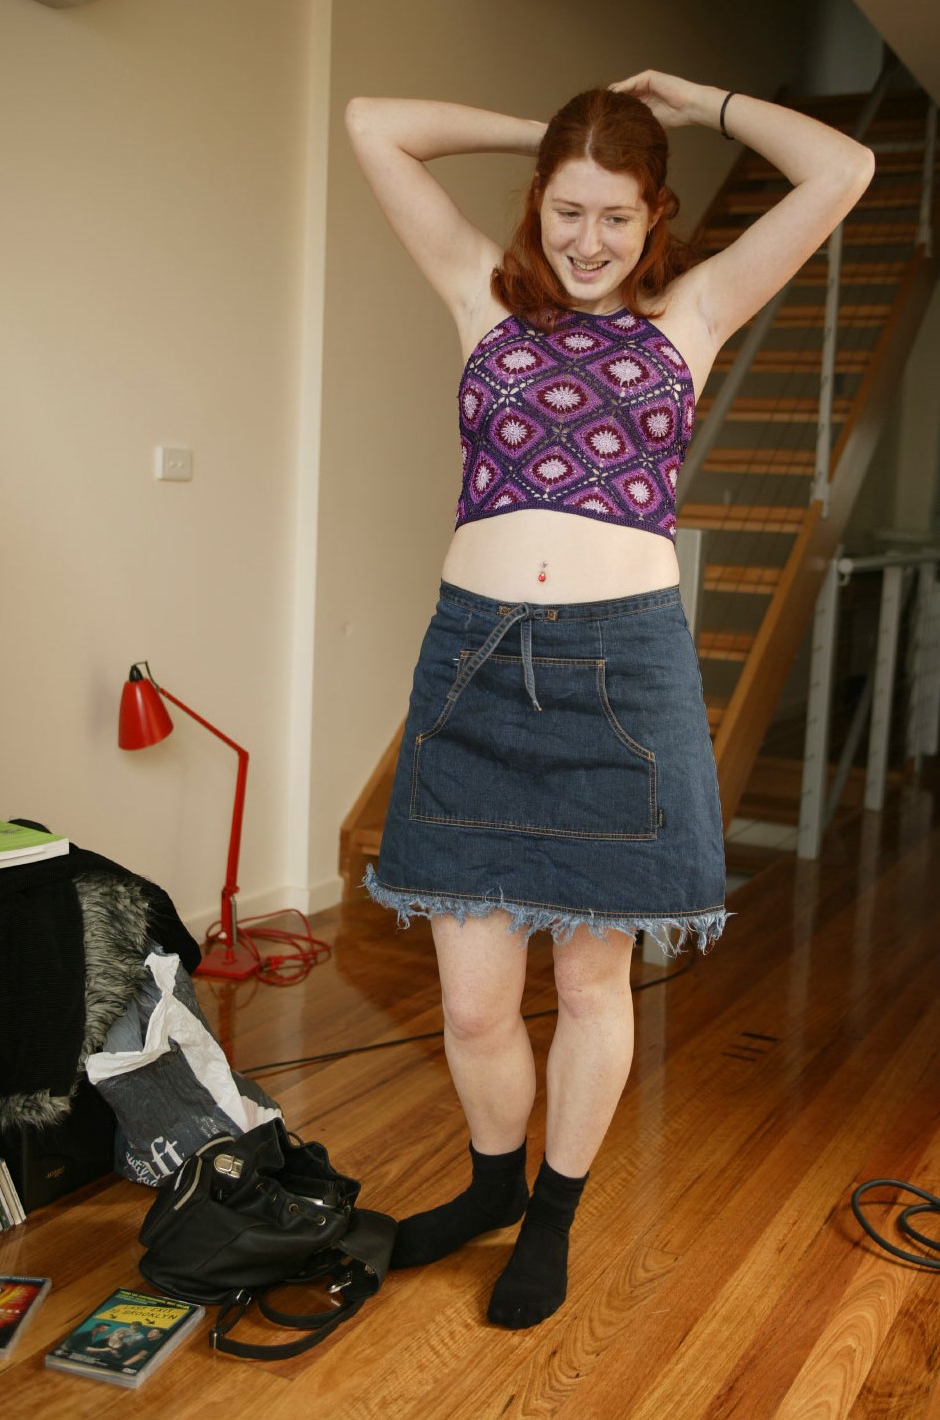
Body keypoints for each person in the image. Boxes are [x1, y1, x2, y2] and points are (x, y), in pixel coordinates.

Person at [345, 71, 873, 1330]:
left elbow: (842, 169)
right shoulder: (478, 294)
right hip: (473, 667)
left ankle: (551, 1216)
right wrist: (549, 130)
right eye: (566, 209)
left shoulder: (694, 312)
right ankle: (489, 1185)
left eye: (616, 216)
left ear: (655, 216)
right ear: (537, 201)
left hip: (621, 678)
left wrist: (704, 101)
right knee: (471, 1000)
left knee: (590, 988)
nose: (587, 242)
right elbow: (373, 123)